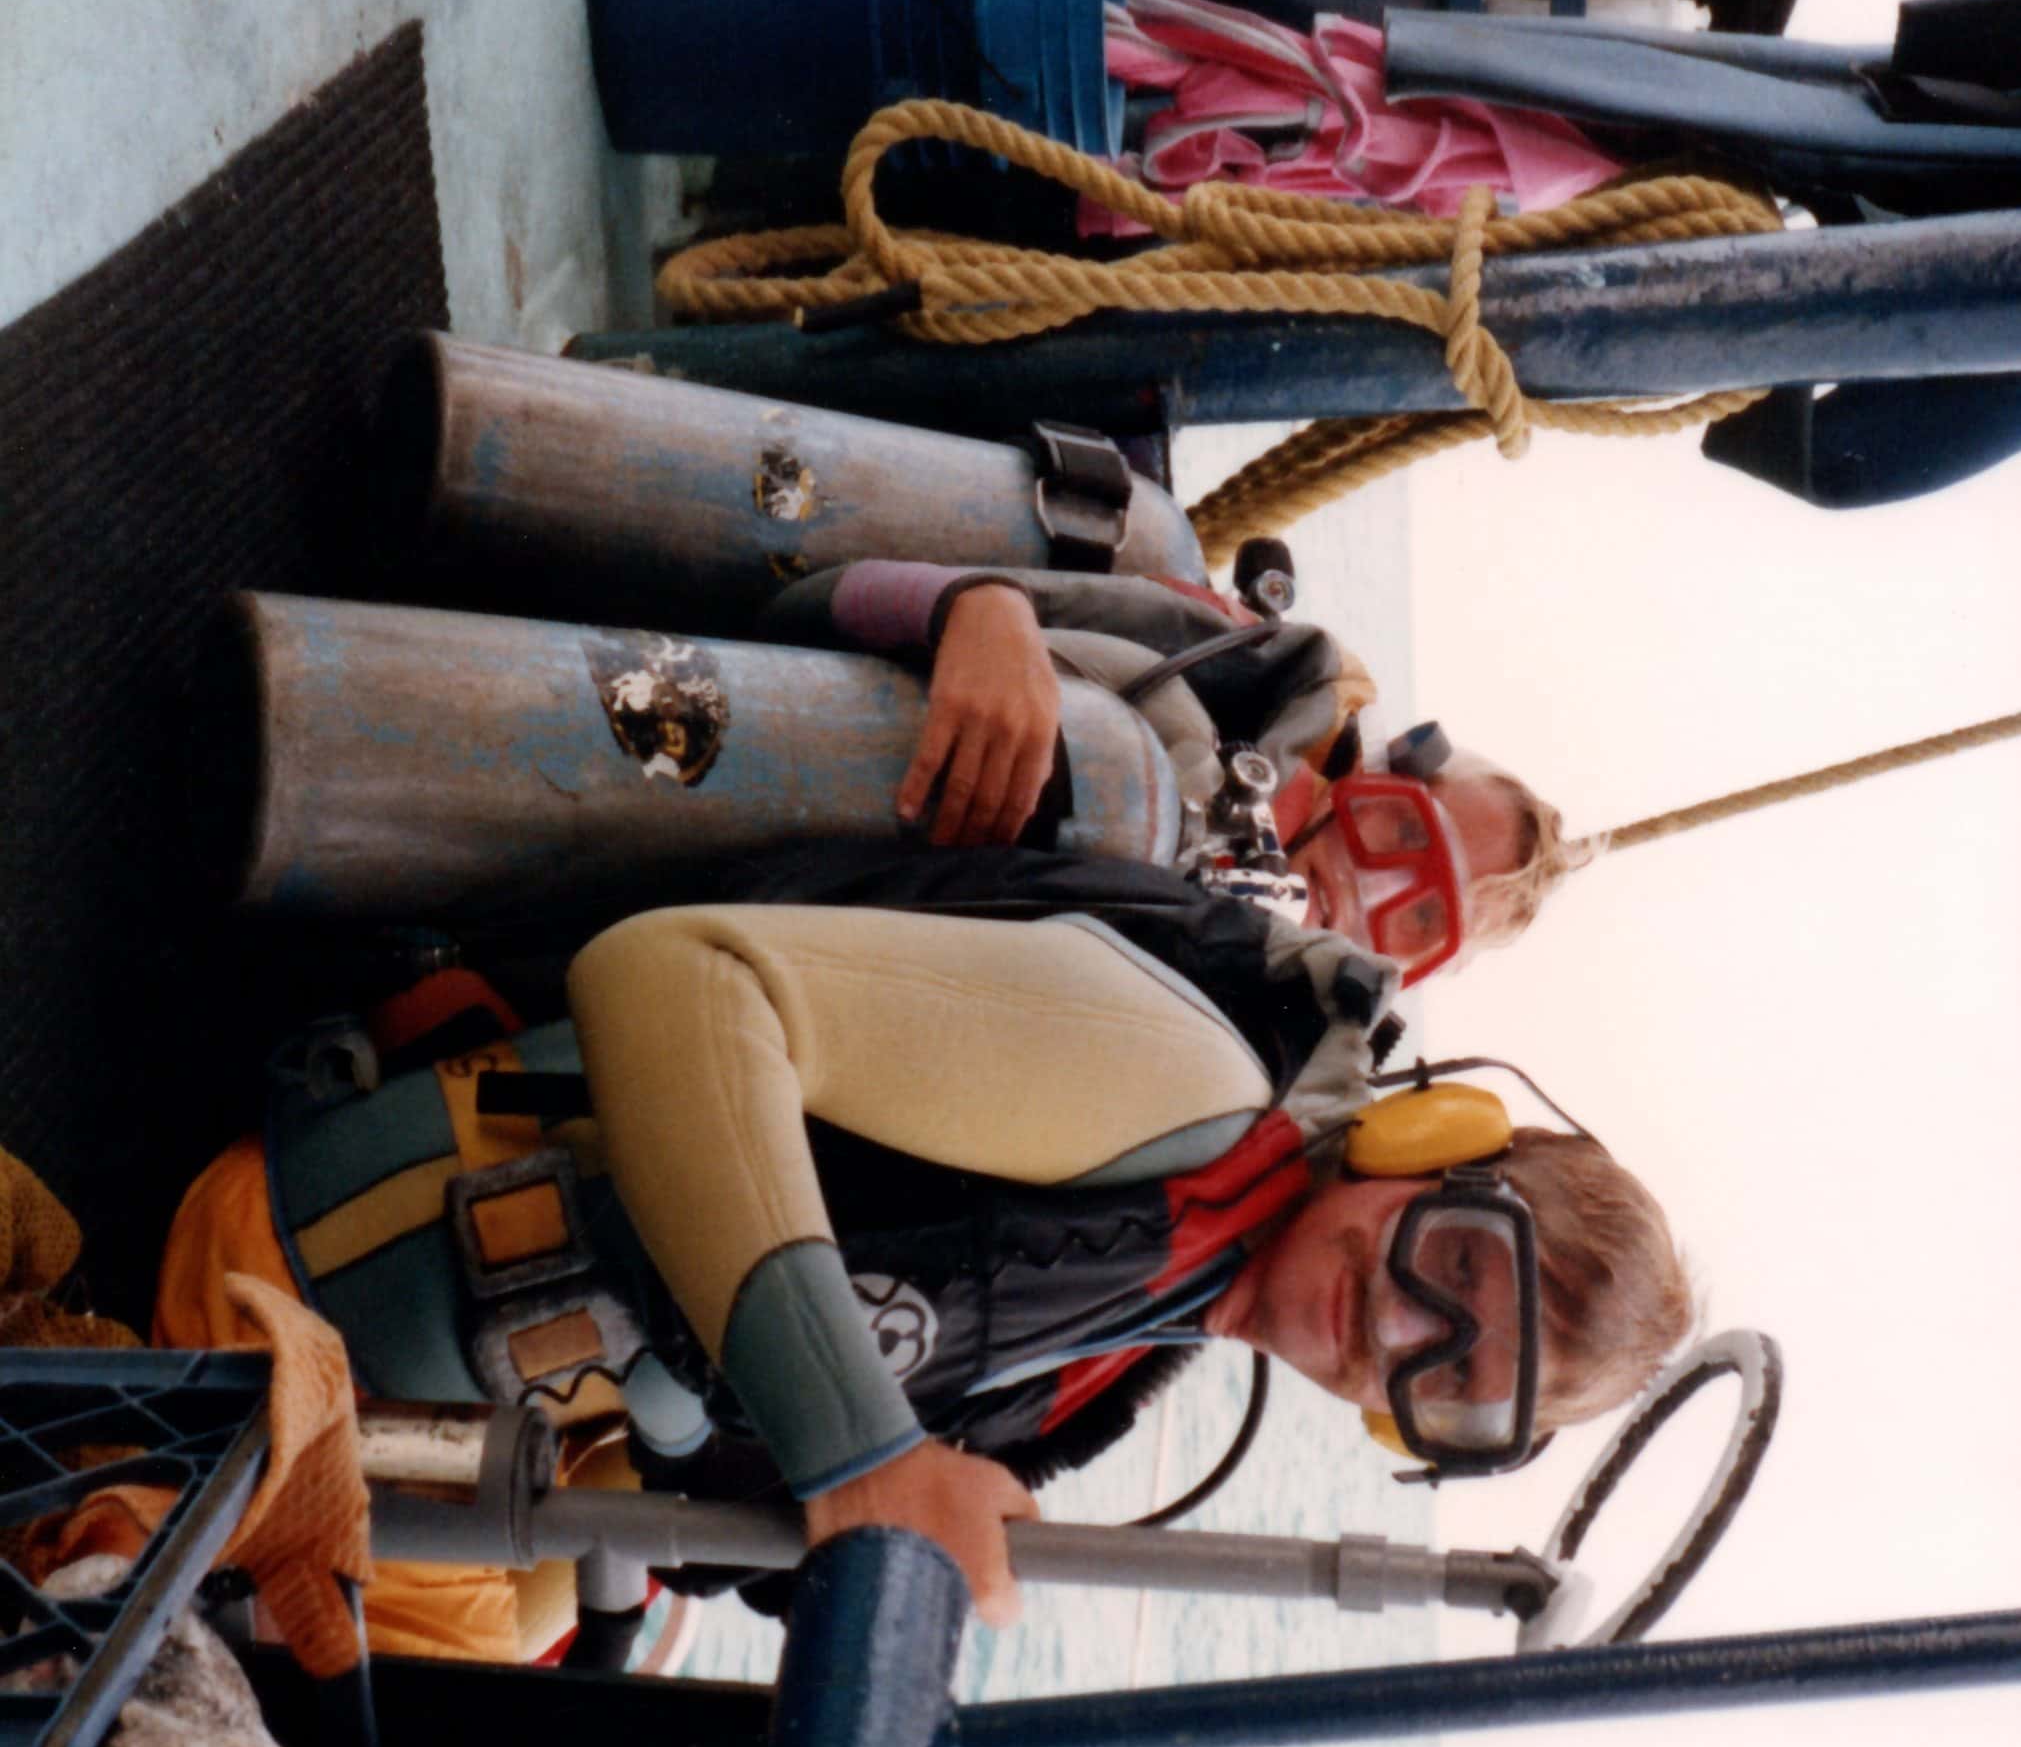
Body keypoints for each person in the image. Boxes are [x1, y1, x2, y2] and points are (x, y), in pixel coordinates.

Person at [153, 891, 1691, 1651]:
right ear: (1432, 1139)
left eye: (1450, 1384)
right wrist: (870, 1461)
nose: (1395, 1332)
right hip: (269, 1293)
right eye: (1452, 1269)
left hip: (376, 1468)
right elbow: (678, 981)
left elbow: (710, 1495)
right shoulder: (1171, 1084)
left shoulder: (1114, 1351)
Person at [756, 556, 1577, 976]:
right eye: (1400, 830)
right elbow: (812, 600)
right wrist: (973, 606)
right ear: (1369, 776)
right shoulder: (1189, 687)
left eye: (1420, 919)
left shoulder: (1233, 1036)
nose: (1370, 886)